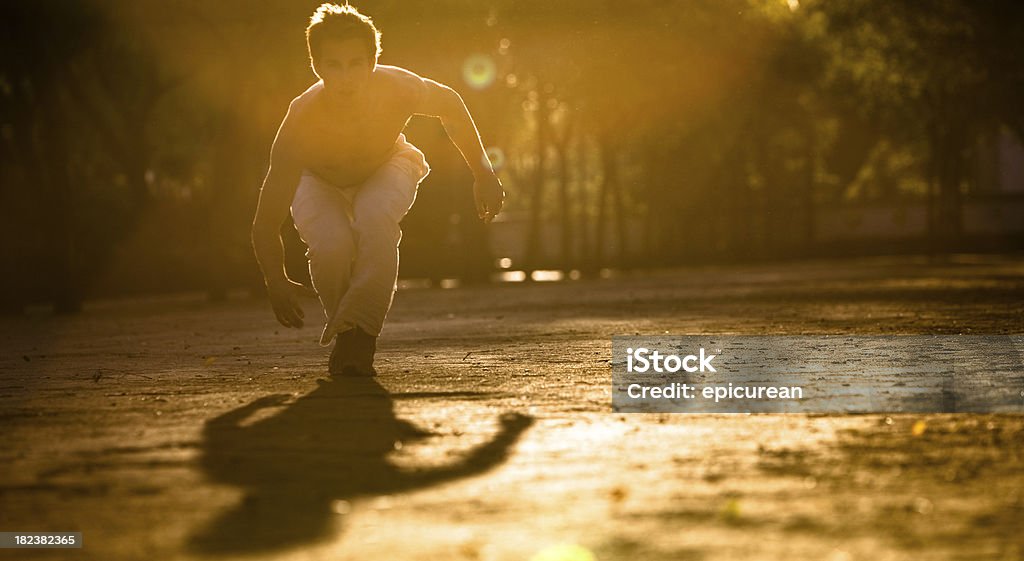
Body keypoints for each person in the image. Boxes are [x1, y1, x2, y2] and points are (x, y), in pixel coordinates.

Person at [251, 3, 504, 376]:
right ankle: (347, 330)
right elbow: (265, 221)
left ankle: (361, 338)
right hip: (317, 180)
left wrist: (483, 173)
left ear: (373, 60)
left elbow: (450, 105)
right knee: (332, 244)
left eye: (356, 63)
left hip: (388, 164)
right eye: (333, 65)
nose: (346, 77)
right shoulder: (300, 121)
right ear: (317, 67)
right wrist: (274, 278)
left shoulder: (398, 87)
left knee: (373, 217)